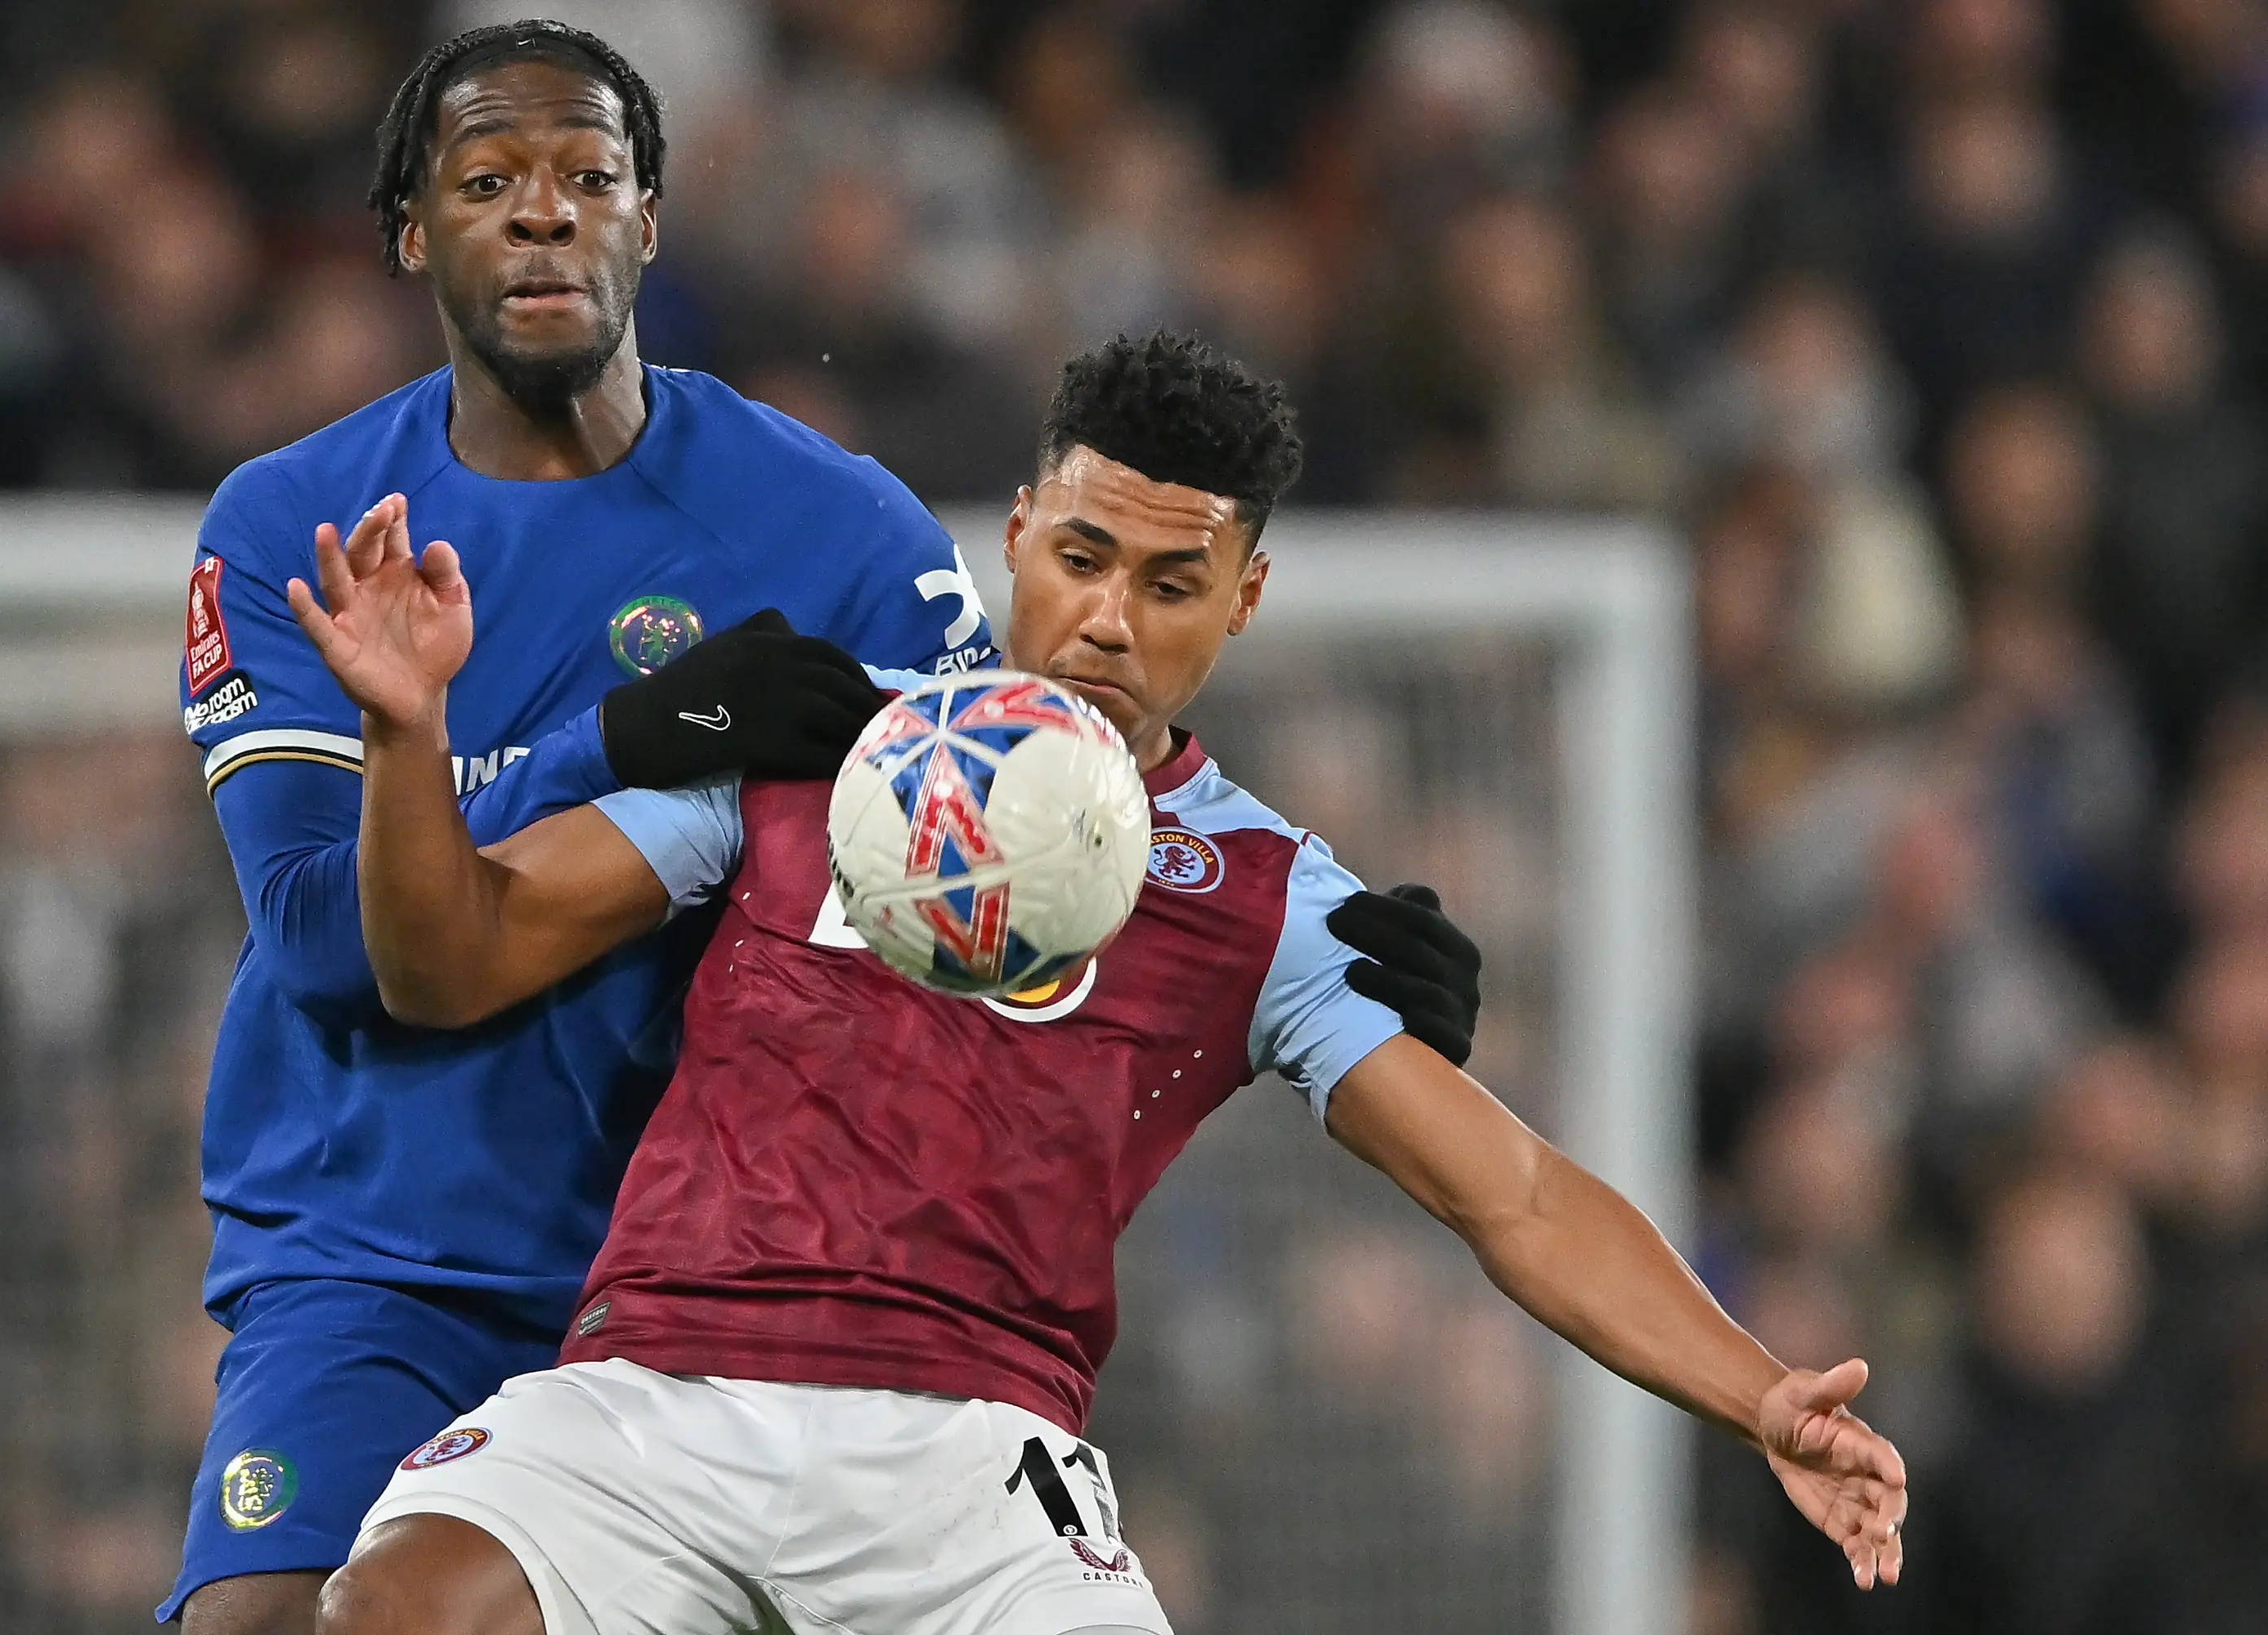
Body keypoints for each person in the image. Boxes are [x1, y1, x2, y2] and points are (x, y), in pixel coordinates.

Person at [167, 24, 1478, 1632]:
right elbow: (317, 932)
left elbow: (999, 823)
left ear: (651, 218)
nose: (542, 214)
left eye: (589, 176)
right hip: (385, 1255)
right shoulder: (291, 526)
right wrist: (623, 735)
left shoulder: (833, 522)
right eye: (488, 180)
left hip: (701, 1299)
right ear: (408, 230)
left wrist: (1331, 931)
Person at [291, 331, 1906, 1635]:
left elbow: (1520, 1193)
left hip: (971, 1468)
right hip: (662, 1386)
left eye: (1172, 585)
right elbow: (455, 958)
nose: (1108, 622)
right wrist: (405, 734)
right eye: (1079, 556)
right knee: (397, 1613)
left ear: (1245, 601)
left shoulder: (1265, 899)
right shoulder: (801, 735)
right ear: (1014, 531)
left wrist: (1759, 1392)